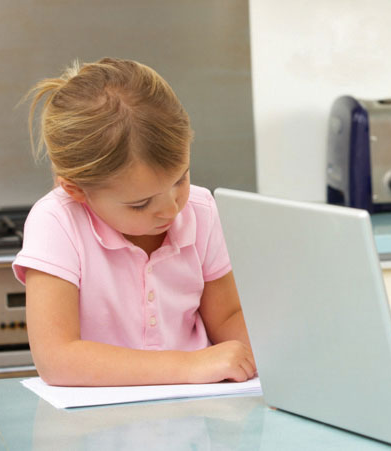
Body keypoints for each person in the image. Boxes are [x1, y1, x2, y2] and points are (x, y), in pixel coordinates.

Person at [13, 58, 256, 386]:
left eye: (180, 179)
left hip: (196, 420)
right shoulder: (56, 222)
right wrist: (188, 366)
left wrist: (274, 352)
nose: (171, 209)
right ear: (75, 189)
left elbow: (226, 317)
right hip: (96, 428)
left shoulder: (200, 209)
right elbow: (57, 359)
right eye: (140, 204)